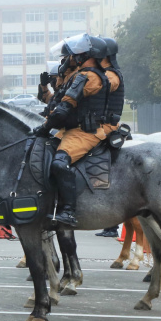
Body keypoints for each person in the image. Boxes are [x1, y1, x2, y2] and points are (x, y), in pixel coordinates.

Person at [34, 33, 124, 227]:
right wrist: (50, 82)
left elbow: (65, 105)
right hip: (73, 128)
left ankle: (68, 211)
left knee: (59, 163)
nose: (70, 59)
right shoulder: (82, 75)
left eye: (73, 55)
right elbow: (56, 100)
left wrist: (45, 127)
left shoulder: (97, 76)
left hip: (90, 130)